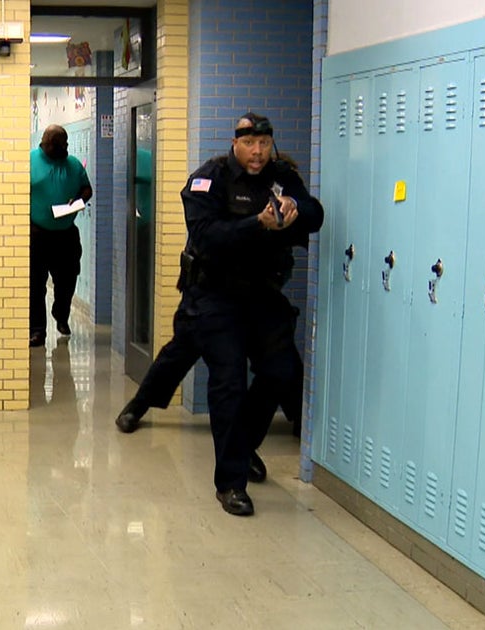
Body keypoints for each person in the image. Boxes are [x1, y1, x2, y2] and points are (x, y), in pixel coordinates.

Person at [144, 113, 322, 517]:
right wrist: (256, 225)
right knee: (228, 384)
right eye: (250, 144)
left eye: (264, 143)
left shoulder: (282, 176)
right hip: (216, 296)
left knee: (281, 371)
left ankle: (240, 446)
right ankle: (231, 484)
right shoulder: (210, 178)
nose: (258, 152)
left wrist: (296, 207)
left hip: (262, 294)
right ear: (235, 143)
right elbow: (206, 235)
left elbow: (316, 215)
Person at [29, 124, 92, 347]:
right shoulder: (30, 161)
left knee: (68, 279)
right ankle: (37, 330)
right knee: (35, 284)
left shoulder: (73, 164)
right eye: (58, 145)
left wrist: (77, 201)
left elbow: (87, 189)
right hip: (37, 234)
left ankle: (61, 312)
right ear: (46, 144)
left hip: (66, 235)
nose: (63, 148)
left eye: (64, 145)